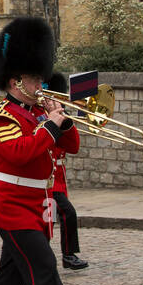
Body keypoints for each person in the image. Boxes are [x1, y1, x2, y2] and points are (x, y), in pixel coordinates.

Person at [0, 17, 91, 285]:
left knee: (11, 271)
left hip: (35, 204)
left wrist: (64, 120)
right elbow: (20, 153)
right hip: (10, 205)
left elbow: (70, 146)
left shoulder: (37, 113)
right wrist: (49, 126)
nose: (41, 83)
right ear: (16, 81)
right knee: (43, 266)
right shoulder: (0, 117)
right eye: (35, 78)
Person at [43, 72, 87, 271]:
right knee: (65, 213)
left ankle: (65, 254)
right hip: (47, 177)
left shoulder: (60, 115)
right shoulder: (42, 117)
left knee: (51, 217)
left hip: (58, 177)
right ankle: (67, 255)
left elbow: (72, 146)